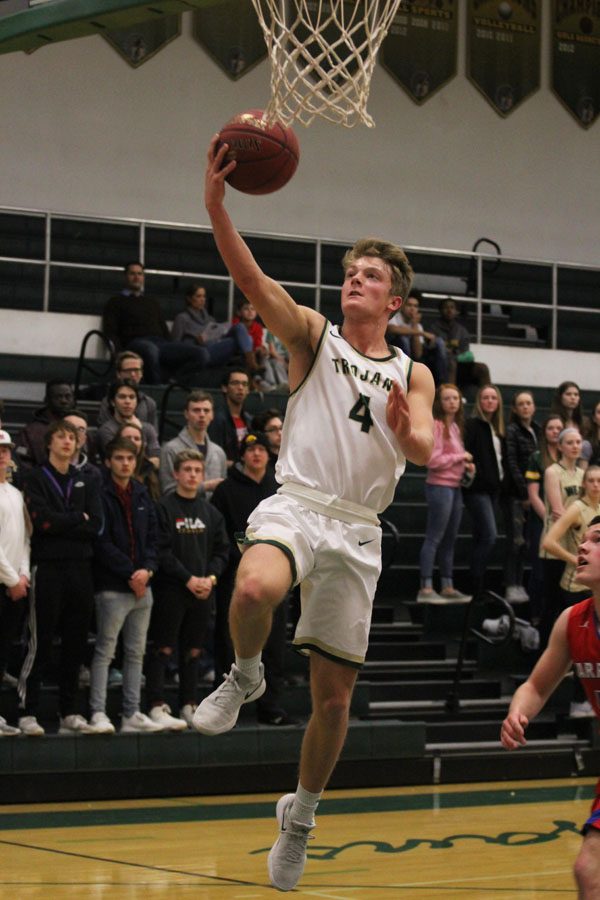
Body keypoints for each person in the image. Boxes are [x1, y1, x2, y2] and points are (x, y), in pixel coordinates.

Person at [193, 136, 434, 892]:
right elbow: (251, 278)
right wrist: (215, 208)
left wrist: (404, 431)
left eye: (371, 277)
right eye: (351, 273)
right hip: (299, 504)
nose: (355, 282)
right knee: (253, 589)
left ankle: (299, 818)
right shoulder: (312, 335)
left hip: (359, 530)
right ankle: (245, 673)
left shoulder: (413, 370)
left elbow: (424, 447)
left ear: (394, 300)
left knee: (334, 702)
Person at [501, 515, 600, 897]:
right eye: (583, 539)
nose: (583, 546)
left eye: (596, 540)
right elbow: (536, 687)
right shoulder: (572, 621)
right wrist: (517, 712)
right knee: (588, 868)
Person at [18, 420, 103, 735]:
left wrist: (65, 522)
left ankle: (70, 711)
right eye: (61, 437)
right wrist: (74, 520)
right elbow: (41, 523)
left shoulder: (87, 480)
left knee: (76, 643)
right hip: (48, 567)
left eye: (72, 436)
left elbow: (94, 524)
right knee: (40, 641)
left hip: (81, 568)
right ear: (49, 443)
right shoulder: (35, 477)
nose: (68, 441)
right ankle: (27, 711)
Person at [211, 432, 297, 726]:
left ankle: (270, 706)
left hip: (275, 576)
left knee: (274, 644)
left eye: (261, 449)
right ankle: (229, 708)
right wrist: (247, 550)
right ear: (242, 456)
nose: (257, 454)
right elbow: (219, 533)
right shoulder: (225, 490)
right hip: (236, 577)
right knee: (231, 641)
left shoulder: (281, 490)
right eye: (251, 450)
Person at [146, 450, 229, 729]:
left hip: (204, 591)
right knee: (164, 648)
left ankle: (189, 703)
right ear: (176, 474)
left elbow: (222, 551)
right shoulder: (164, 507)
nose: (192, 474)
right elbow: (161, 550)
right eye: (187, 470)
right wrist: (188, 579)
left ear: (203, 475)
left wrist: (211, 578)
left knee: (194, 651)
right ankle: (157, 703)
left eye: (197, 470)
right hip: (172, 590)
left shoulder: (212, 513)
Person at [88, 437, 163, 734]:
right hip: (112, 586)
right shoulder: (99, 493)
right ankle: (98, 712)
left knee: (136, 653)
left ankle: (131, 713)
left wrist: (147, 571)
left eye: (130, 459)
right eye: (119, 458)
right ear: (108, 462)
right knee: (105, 652)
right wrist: (131, 573)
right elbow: (100, 541)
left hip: (143, 586)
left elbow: (154, 540)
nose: (125, 463)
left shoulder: (143, 493)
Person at [102, 262, 209, 385]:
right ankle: (157, 390)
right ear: (126, 276)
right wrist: (119, 353)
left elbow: (163, 329)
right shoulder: (115, 302)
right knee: (151, 350)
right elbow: (110, 330)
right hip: (135, 343)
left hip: (160, 343)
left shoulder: (152, 302)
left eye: (140, 274)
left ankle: (172, 382)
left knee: (202, 354)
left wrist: (172, 347)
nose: (136, 277)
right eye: (132, 274)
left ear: (143, 277)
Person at [417, 383, 473, 604]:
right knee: (434, 537)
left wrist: (467, 466)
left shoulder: (456, 427)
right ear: (440, 403)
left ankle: (447, 585)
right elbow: (432, 461)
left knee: (450, 539)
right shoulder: (437, 426)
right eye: (447, 398)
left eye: (455, 398)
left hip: (455, 486)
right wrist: (460, 458)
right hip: (439, 486)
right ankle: (426, 586)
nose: (452, 402)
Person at [538, 428, 584, 649]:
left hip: (576, 546)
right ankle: (542, 655)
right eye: (570, 442)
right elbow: (557, 510)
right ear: (560, 446)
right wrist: (578, 521)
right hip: (553, 546)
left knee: (573, 605)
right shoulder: (552, 471)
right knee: (551, 604)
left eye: (578, 442)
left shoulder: (583, 474)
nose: (575, 446)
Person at [462, 384, 506, 596]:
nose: (489, 401)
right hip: (477, 488)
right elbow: (466, 452)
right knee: (489, 535)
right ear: (479, 401)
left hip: (493, 489)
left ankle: (476, 584)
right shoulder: (472, 424)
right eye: (485, 397)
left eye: (493, 398)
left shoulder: (498, 429)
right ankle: (475, 582)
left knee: (482, 536)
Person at [0, 429, 30, 735]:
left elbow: (24, 540)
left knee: (3, 649)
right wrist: (11, 577)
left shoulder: (16, 493)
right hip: (6, 582)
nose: (2, 455)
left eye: (6, 450)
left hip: (14, 586)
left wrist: (23, 575)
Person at [502, 391, 541, 604]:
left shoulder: (537, 430)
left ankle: (519, 582)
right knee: (515, 541)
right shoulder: (513, 430)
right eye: (521, 404)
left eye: (529, 403)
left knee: (526, 543)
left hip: (532, 494)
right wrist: (525, 491)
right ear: (515, 409)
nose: (526, 407)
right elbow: (512, 463)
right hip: (515, 494)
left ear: (534, 407)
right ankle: (511, 584)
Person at [525, 415, 563, 626]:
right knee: (539, 571)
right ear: (545, 432)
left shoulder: (569, 458)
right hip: (542, 521)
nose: (555, 432)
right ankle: (536, 616)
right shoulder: (537, 458)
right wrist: (550, 519)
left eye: (559, 428)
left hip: (564, 521)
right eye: (551, 428)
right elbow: (533, 495)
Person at [171, 282, 259, 373]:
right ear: (189, 298)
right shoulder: (182, 318)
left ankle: (251, 362)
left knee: (240, 327)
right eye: (198, 296)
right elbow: (175, 346)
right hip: (199, 352)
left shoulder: (210, 319)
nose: (202, 299)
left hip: (215, 345)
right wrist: (195, 341)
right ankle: (251, 366)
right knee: (240, 340)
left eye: (204, 296)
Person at [159, 391, 227, 497]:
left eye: (206, 410)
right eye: (196, 410)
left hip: (211, 512)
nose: (202, 415)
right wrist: (205, 486)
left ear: (212, 415)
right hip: (181, 512)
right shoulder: (170, 449)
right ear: (186, 414)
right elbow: (167, 490)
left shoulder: (219, 452)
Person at [387, 288, 447, 385]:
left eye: (415, 306)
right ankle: (405, 376)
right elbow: (392, 329)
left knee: (439, 342)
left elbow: (418, 354)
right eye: (409, 305)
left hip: (410, 359)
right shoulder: (395, 316)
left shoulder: (418, 326)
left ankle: (441, 383)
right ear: (402, 306)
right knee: (403, 340)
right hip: (391, 354)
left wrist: (415, 325)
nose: (412, 308)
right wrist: (421, 333)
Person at [429, 297, 491, 391]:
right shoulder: (433, 328)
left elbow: (465, 351)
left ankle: (488, 395)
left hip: (460, 365)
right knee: (451, 363)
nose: (449, 310)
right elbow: (431, 348)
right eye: (446, 307)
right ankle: (450, 395)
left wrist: (451, 353)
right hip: (440, 366)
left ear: (456, 311)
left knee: (482, 368)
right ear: (441, 310)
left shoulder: (462, 330)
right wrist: (450, 353)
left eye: (452, 307)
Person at [14, 379, 75, 470]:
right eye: (58, 397)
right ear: (46, 400)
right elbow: (22, 463)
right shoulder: (30, 432)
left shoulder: (80, 428)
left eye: (68, 396)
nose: (64, 401)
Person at [96, 380, 160, 463]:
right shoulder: (106, 431)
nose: (127, 401)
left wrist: (139, 430)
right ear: (112, 402)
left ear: (137, 402)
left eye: (132, 397)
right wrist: (138, 432)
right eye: (122, 397)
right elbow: (120, 463)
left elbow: (157, 461)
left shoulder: (148, 428)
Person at [97, 351, 158, 429]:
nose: (132, 374)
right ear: (118, 374)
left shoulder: (149, 403)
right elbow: (105, 432)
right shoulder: (108, 402)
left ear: (141, 373)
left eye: (136, 370)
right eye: (128, 370)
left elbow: (153, 435)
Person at [208, 369, 253, 466]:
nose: (240, 387)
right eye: (235, 383)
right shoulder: (216, 419)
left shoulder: (249, 419)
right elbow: (213, 457)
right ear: (224, 388)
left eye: (244, 384)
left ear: (248, 390)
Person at [117, 421, 162, 502]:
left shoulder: (149, 470)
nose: (133, 441)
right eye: (128, 438)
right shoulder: (110, 470)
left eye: (137, 439)